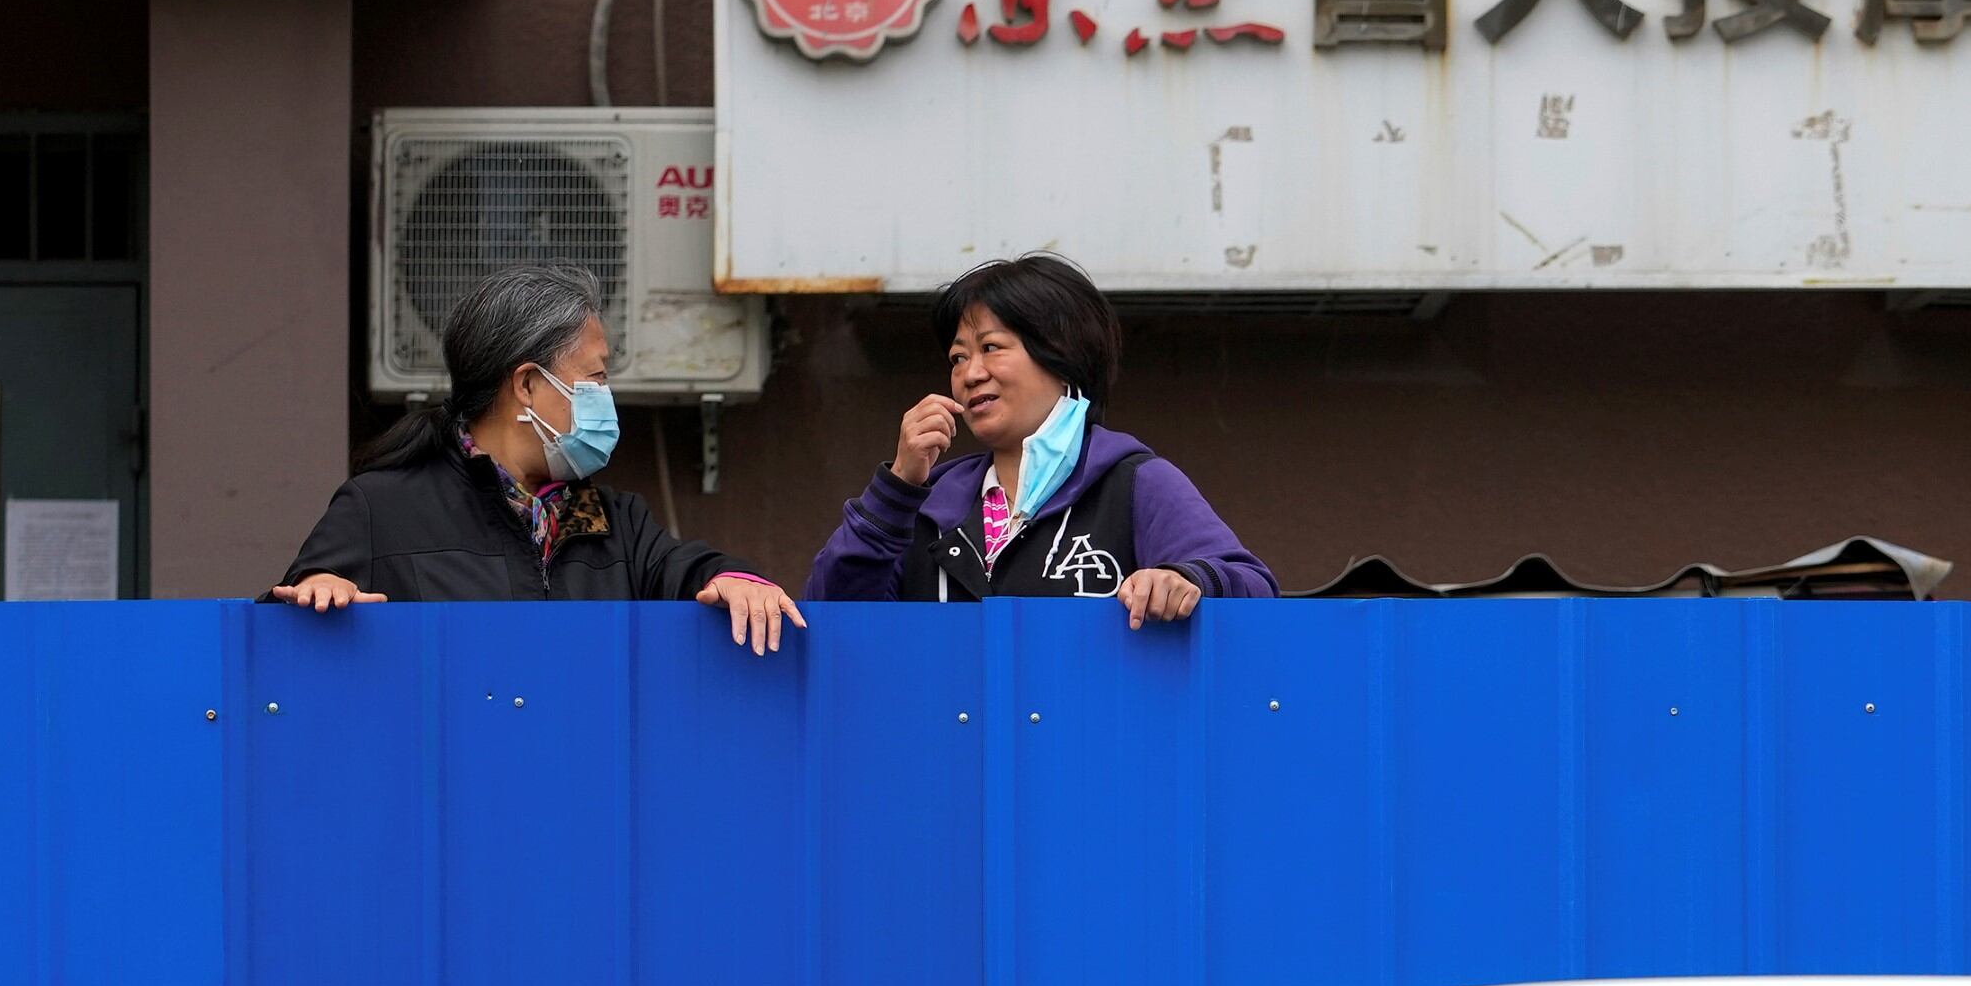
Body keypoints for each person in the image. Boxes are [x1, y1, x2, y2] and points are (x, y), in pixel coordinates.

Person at [274, 262, 802, 654]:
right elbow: (275, 645)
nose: (607, 394)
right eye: (595, 377)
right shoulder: (380, 507)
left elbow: (688, 570)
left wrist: (736, 579)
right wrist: (319, 592)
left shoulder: (615, 522)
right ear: (527, 384)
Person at [804, 254, 1275, 624]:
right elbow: (835, 617)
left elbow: (1253, 588)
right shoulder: (928, 506)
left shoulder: (1135, 482)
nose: (970, 374)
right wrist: (898, 488)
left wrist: (1185, 580)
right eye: (957, 358)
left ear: (1061, 355)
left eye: (990, 348)